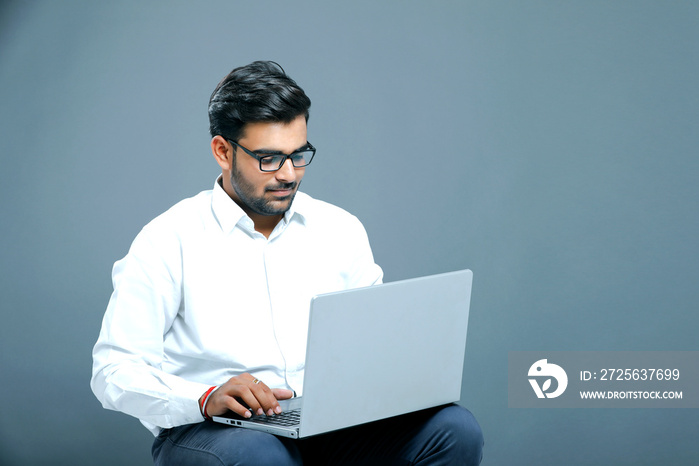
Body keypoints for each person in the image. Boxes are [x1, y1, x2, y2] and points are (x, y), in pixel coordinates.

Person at [91, 60, 483, 465]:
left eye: (299, 155)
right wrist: (205, 398)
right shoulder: (167, 239)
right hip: (216, 431)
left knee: (455, 430)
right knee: (259, 455)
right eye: (270, 158)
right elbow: (113, 371)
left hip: (323, 426)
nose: (289, 174)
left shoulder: (339, 229)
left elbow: (373, 348)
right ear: (223, 151)